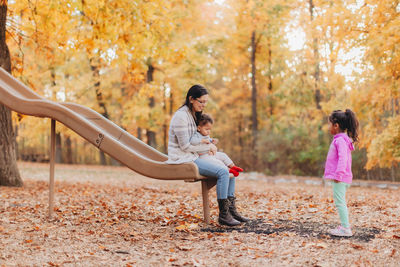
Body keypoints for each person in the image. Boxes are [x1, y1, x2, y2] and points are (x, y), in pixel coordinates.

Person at [167, 84, 249, 226]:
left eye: (206, 102)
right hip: (184, 158)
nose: (204, 105)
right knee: (223, 171)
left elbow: (197, 138)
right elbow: (185, 146)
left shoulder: (192, 114)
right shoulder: (181, 116)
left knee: (229, 169)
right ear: (191, 99)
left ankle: (230, 210)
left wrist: (208, 144)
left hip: (194, 154)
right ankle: (223, 215)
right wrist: (208, 146)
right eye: (201, 102)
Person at [324, 109, 359, 237]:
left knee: (340, 202)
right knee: (340, 201)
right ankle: (344, 226)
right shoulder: (342, 140)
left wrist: (338, 175)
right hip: (343, 177)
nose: (328, 127)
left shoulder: (340, 141)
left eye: (329, 124)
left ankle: (345, 228)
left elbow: (343, 158)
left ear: (336, 125)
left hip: (341, 177)